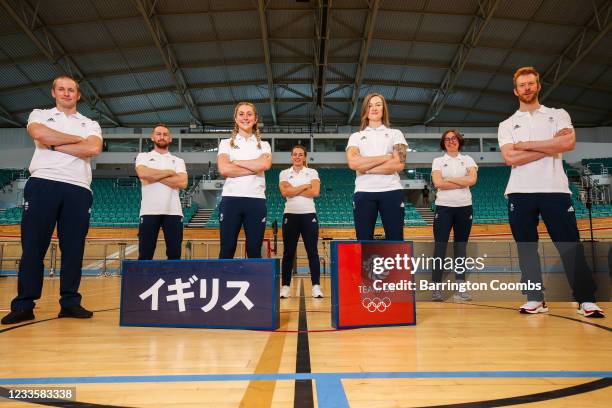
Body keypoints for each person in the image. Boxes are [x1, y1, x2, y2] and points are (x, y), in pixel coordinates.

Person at [498, 66, 604, 317]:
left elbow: (567, 143)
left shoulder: (558, 114)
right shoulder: (507, 124)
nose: (527, 88)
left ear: (538, 86)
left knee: (569, 245)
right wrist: (550, 146)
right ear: (516, 91)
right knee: (526, 247)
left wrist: (528, 146)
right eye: (522, 85)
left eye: (531, 83)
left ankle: (586, 299)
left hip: (555, 190)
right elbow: (511, 157)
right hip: (519, 192)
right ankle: (535, 298)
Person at [2, 76, 103, 325]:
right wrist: (76, 141)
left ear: (78, 95)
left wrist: (53, 144)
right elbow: (38, 133)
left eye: (71, 90)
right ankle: (24, 304)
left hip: (78, 188)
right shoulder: (39, 114)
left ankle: (70, 302)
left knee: (73, 249)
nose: (67, 93)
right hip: (43, 183)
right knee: (33, 247)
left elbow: (92, 149)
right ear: (54, 92)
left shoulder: (90, 123)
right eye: (62, 89)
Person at [346, 93, 408, 241]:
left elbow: (399, 164)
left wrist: (365, 167)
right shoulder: (356, 136)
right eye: (370, 105)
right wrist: (386, 157)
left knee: (395, 240)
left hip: (391, 191)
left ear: (383, 109)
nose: (374, 108)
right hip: (364, 192)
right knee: (364, 240)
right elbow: (353, 163)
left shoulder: (395, 134)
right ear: (365, 110)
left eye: (378, 104)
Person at [217, 102, 272, 259]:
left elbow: (265, 164)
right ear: (235, 118)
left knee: (254, 249)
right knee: (227, 248)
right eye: (241, 114)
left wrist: (236, 162)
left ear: (255, 119)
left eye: (249, 114)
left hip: (256, 200)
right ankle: (223, 282)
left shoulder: (264, 144)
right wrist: (254, 167)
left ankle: (254, 284)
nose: (245, 117)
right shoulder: (225, 143)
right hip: (231, 200)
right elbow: (224, 170)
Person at [430, 130, 478, 301]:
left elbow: (472, 180)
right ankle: (435, 289)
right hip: (443, 208)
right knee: (440, 248)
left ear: (459, 141)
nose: (451, 141)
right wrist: (461, 180)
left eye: (454, 138)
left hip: (464, 208)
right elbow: (437, 183)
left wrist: (448, 181)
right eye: (447, 139)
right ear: (443, 143)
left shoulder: (468, 160)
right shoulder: (438, 161)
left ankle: (460, 288)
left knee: (460, 248)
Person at [135, 124, 187, 260]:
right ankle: (144, 281)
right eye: (158, 134)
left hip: (173, 212)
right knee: (145, 254)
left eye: (165, 134)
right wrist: (169, 173)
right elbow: (142, 173)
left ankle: (173, 280)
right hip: (149, 211)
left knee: (175, 255)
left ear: (170, 139)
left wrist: (153, 177)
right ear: (152, 137)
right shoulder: (143, 156)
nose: (161, 137)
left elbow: (182, 182)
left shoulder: (178, 160)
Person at [278, 145, 323, 299]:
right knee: (288, 253)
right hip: (290, 215)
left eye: (300, 154)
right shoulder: (284, 173)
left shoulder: (312, 172)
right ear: (291, 156)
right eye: (295, 154)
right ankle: (285, 286)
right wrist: (305, 186)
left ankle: (316, 286)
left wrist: (294, 189)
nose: (297, 157)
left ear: (304, 157)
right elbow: (285, 192)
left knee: (313, 252)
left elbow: (315, 192)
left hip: (308, 215)